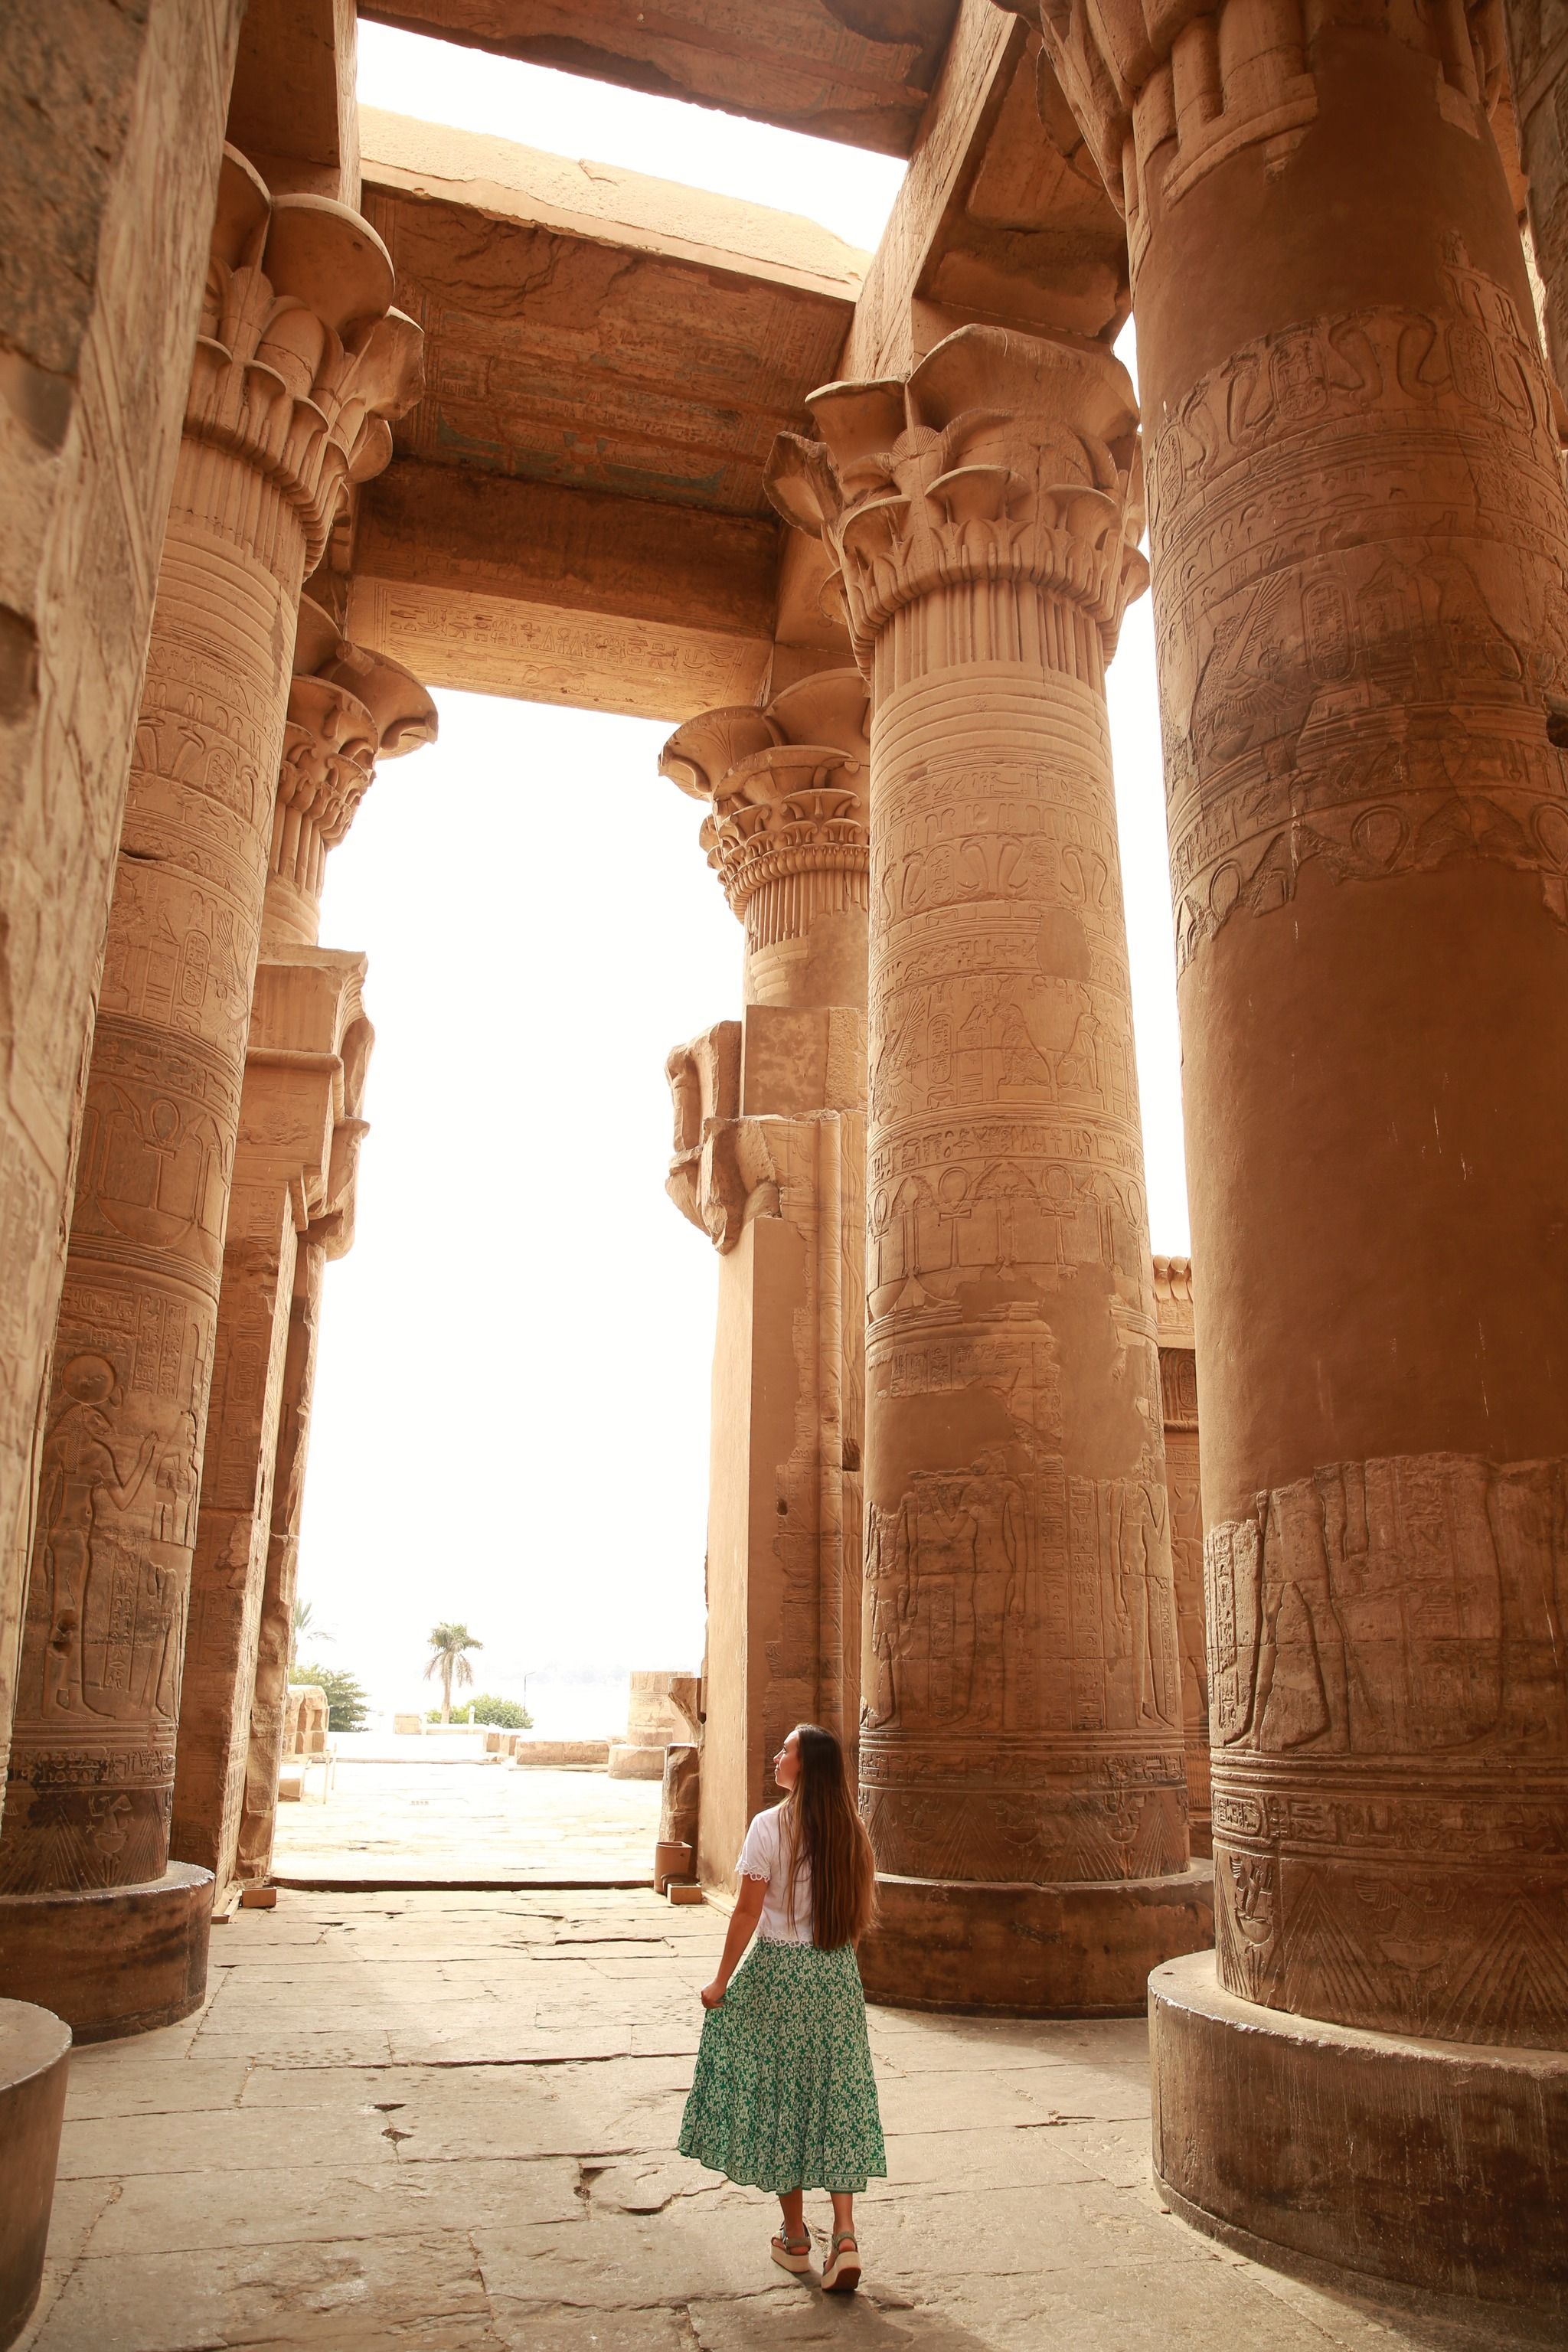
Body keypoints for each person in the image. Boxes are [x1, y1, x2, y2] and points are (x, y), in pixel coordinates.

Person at [678, 1722, 885, 2295]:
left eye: (786, 1752)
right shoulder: (853, 1831)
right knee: (835, 2097)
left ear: (805, 1767)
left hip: (779, 1975)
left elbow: (746, 1913)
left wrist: (720, 1981)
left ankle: (796, 2239)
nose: (777, 1757)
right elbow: (857, 1917)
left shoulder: (770, 1826)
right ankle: (844, 2234)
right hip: (836, 1975)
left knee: (780, 2102)